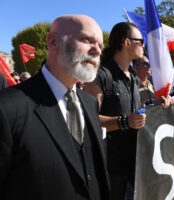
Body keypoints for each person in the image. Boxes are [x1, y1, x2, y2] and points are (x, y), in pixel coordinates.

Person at [0, 15, 110, 200]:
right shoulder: (7, 108)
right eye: (87, 40)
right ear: (53, 42)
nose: (97, 51)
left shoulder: (90, 103)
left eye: (100, 45)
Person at [84, 22, 146, 200]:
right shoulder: (101, 75)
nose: (143, 45)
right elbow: (90, 119)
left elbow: (134, 113)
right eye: (140, 41)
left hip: (135, 163)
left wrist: (156, 104)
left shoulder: (134, 76)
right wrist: (125, 121)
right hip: (111, 169)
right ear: (127, 42)